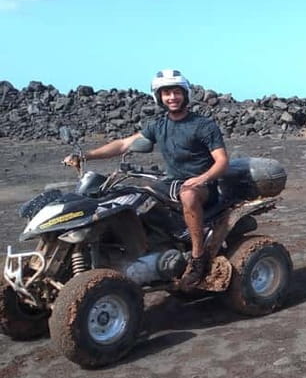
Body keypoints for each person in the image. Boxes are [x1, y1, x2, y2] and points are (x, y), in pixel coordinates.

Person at [64, 69, 229, 288]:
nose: (172, 97)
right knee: (130, 195)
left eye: (176, 92)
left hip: (202, 186)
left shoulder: (203, 125)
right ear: (159, 97)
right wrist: (86, 155)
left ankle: (198, 259)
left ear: (185, 94)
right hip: (172, 183)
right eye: (166, 93)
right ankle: (147, 249)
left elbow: (222, 161)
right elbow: (123, 144)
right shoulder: (158, 125)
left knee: (188, 195)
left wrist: (202, 178)